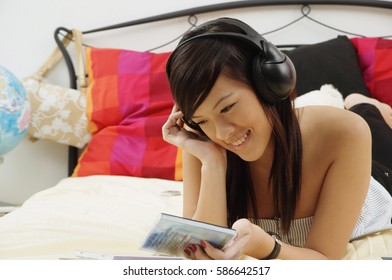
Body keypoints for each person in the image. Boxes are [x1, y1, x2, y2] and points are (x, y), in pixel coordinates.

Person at [162, 17, 392, 260]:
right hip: (284, 128)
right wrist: (213, 162)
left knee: (369, 123)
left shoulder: (346, 132)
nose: (221, 133)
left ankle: (362, 103)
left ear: (268, 82)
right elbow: (201, 253)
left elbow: (326, 260)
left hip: (374, 172)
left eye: (227, 108)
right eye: (202, 120)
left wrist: (265, 246)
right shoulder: (205, 143)